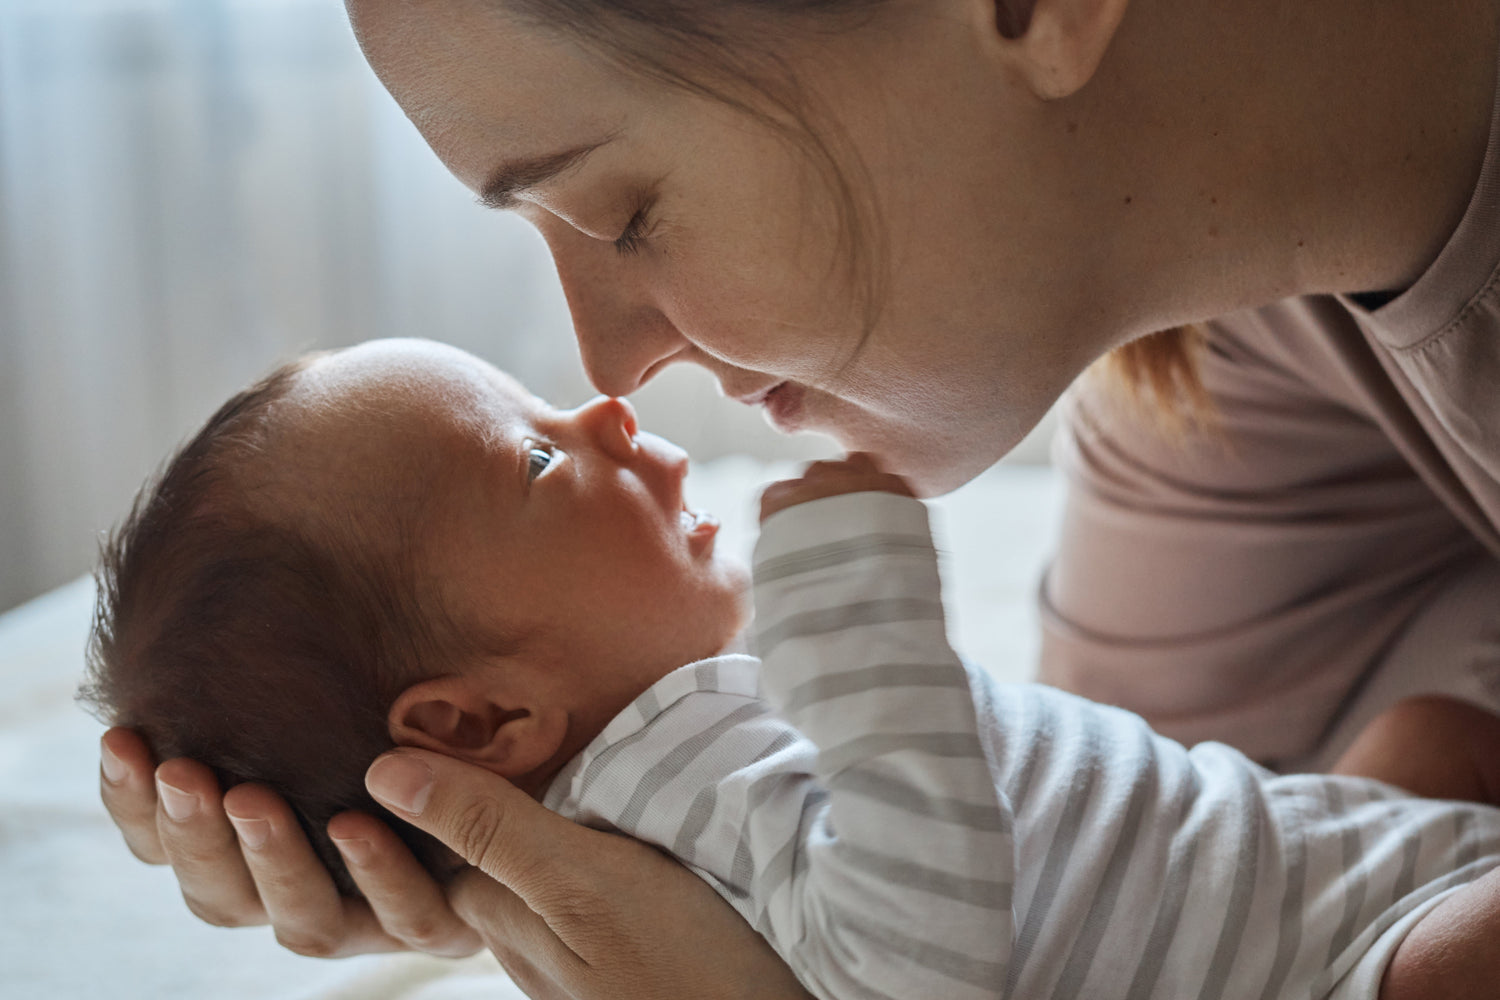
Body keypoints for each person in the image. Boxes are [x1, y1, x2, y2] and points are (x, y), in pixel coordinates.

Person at [94, 0, 1500, 995]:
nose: (612, 368)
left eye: (625, 210)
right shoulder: (1231, 332)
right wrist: (521, 863)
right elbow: (1210, 850)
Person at [84, 338, 1500, 999]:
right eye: (531, 455)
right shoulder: (663, 797)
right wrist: (861, 626)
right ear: (482, 717)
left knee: (1427, 751)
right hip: (1338, 956)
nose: (606, 410)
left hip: (1305, 870)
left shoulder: (668, 754)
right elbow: (917, 958)